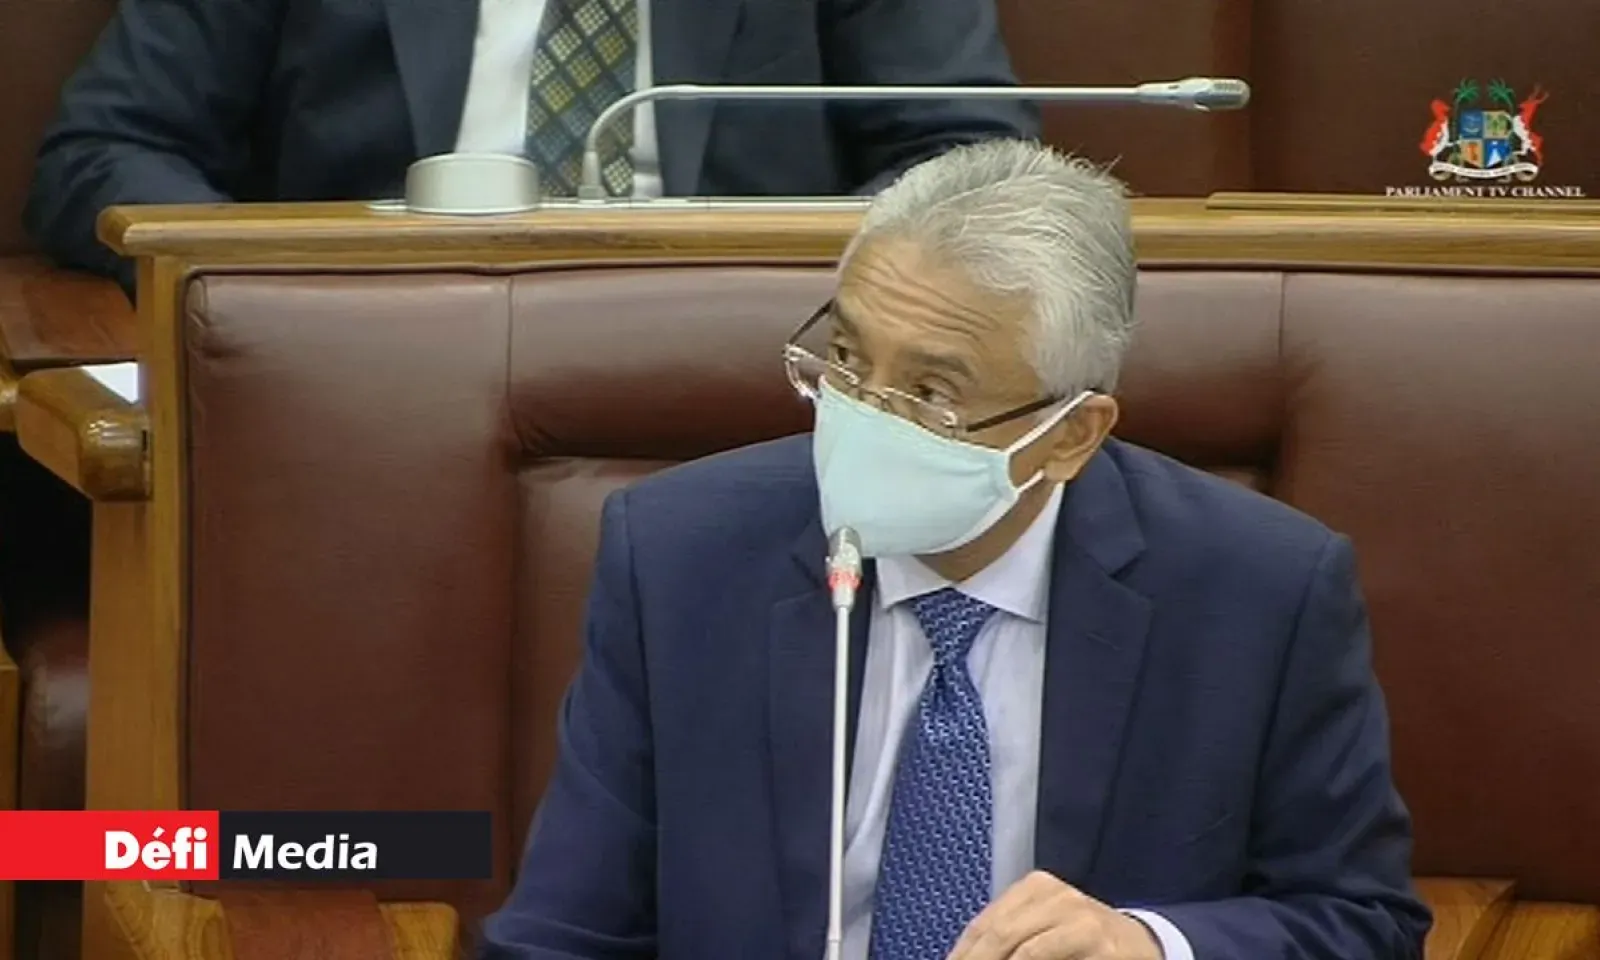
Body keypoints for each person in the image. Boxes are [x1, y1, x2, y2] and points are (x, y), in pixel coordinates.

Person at [480, 140, 1432, 960]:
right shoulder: (680, 558)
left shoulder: (1260, 591)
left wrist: (1147, 944)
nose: (864, 417)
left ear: (1070, 435)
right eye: (847, 361)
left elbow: (1363, 922)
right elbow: (563, 932)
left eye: (932, 395)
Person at [23, 0, 1038, 297]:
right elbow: (110, 148)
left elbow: (968, 158)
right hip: (372, 365)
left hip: (746, 370)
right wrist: (267, 295)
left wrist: (838, 311)